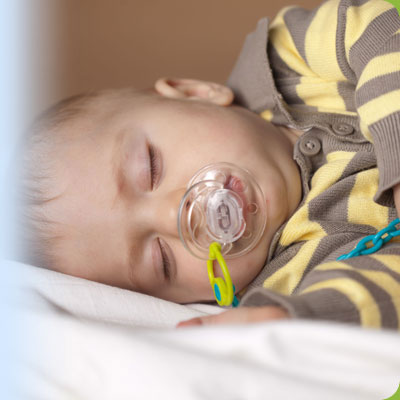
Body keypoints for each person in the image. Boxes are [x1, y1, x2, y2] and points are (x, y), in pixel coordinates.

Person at [19, 0, 400, 329]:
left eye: (152, 168)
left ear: (194, 93)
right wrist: (292, 318)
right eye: (162, 261)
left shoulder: (285, 62)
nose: (175, 215)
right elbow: (377, 295)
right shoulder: (291, 282)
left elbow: (380, 30)